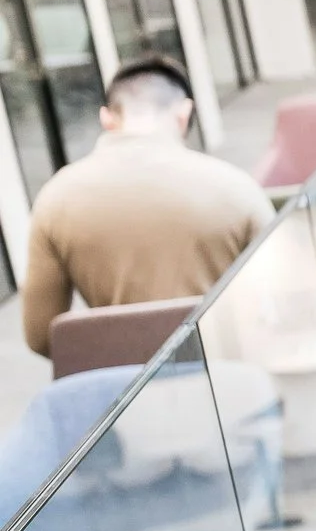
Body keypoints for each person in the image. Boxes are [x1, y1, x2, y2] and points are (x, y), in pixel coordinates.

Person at [21, 55, 270, 360]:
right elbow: (276, 304)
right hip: (231, 379)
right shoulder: (237, 189)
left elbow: (42, 336)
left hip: (124, 390)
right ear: (184, 114)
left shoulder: (55, 198)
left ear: (107, 119)